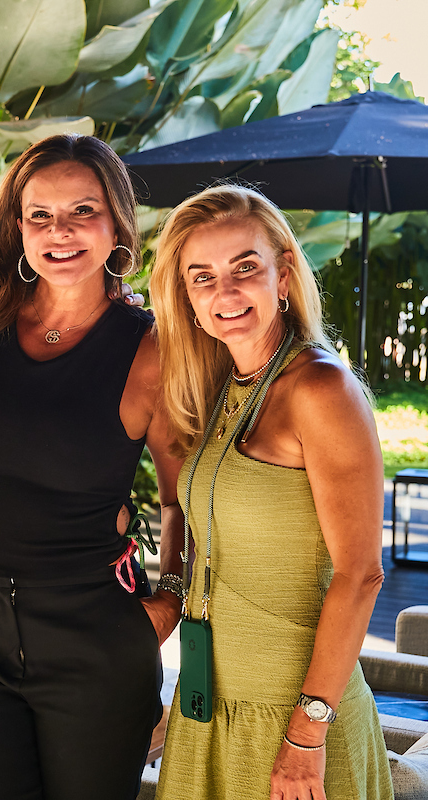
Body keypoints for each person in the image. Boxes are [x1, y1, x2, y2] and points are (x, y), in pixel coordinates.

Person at [0, 133, 185, 800]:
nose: (59, 232)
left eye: (82, 212)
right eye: (40, 214)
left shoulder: (152, 349)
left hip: (91, 628)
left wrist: (170, 602)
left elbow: (186, 499)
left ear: (116, 222)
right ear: (17, 226)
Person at [149, 185, 393, 800]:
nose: (224, 292)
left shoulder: (319, 388)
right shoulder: (222, 390)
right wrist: (171, 588)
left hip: (292, 717)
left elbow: (362, 573)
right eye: (201, 277)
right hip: (210, 705)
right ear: (187, 299)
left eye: (245, 269)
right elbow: (180, 502)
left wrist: (307, 736)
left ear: (283, 276)